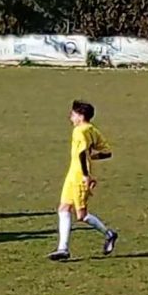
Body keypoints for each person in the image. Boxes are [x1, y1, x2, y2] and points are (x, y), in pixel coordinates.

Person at [48, 101, 117, 261]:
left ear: (80, 116)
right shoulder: (92, 130)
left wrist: (86, 175)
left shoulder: (79, 131)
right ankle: (62, 248)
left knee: (81, 215)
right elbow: (107, 152)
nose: (70, 117)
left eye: (72, 114)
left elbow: (81, 153)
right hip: (72, 174)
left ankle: (109, 234)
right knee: (63, 208)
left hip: (79, 176)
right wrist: (93, 157)